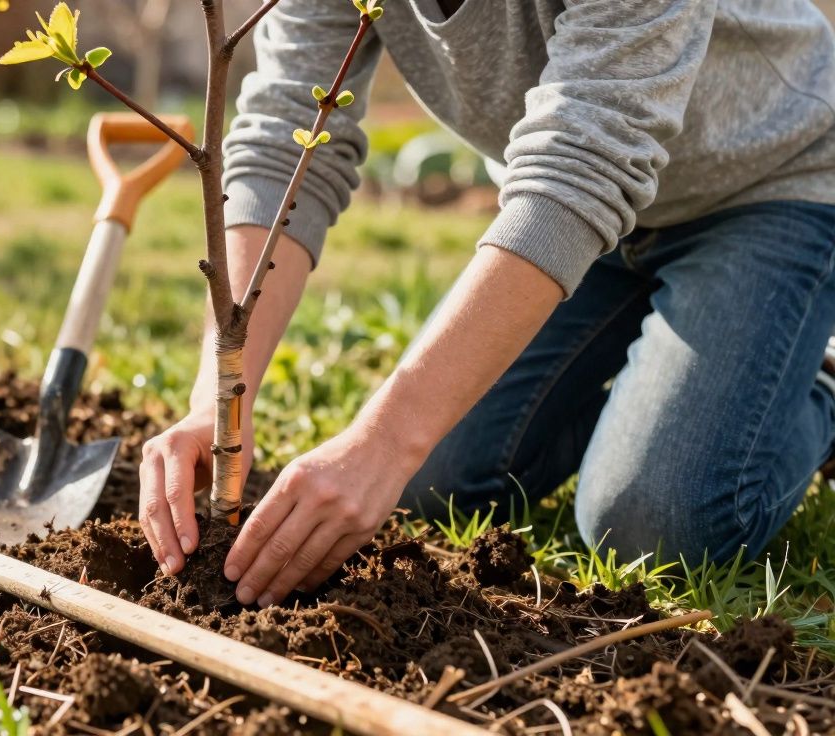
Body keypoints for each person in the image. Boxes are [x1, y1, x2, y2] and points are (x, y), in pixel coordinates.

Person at [137, 0, 835, 609]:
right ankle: (677, 368)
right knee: (431, 483)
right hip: (586, 225)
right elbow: (287, 138)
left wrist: (387, 440)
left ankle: (814, 374)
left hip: (773, 179)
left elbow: (589, 154)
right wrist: (218, 397)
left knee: (654, 524)